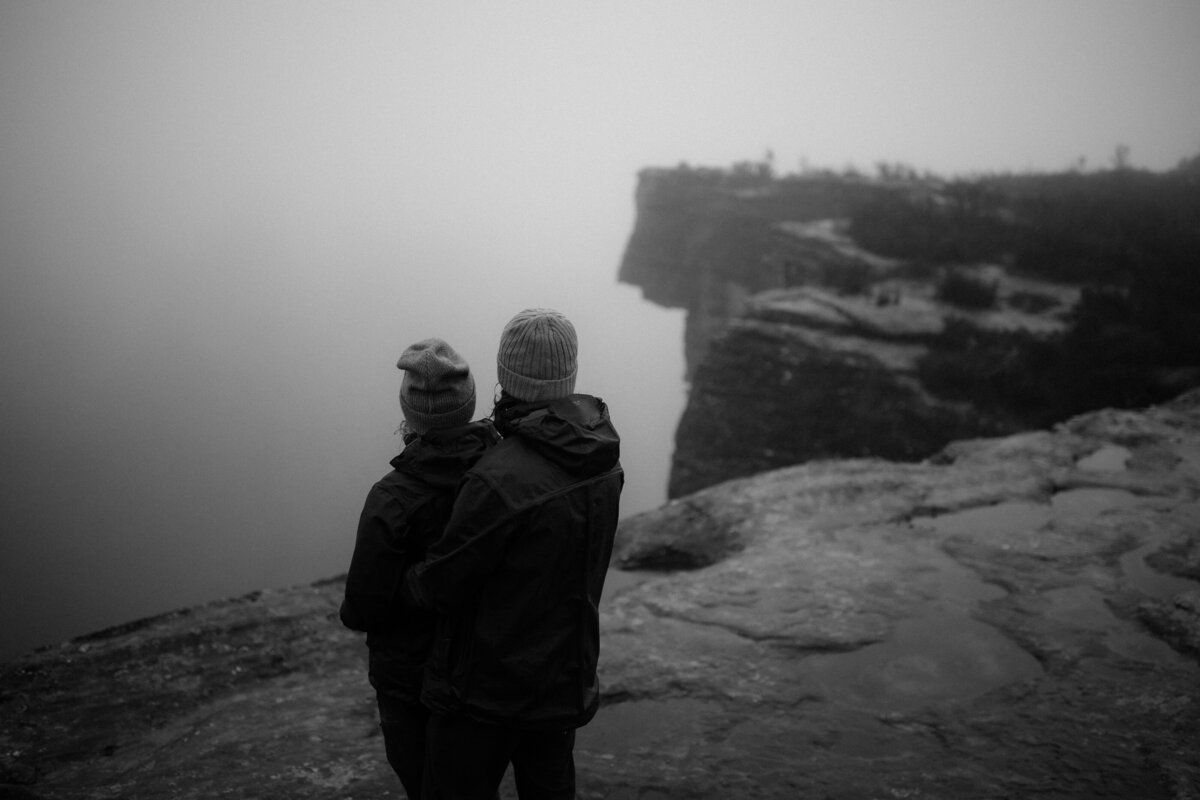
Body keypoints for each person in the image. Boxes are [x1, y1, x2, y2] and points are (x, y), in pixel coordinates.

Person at [404, 308, 624, 800]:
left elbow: (439, 584)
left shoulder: (498, 478)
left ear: (505, 374)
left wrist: (403, 580)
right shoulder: (602, 457)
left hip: (487, 691)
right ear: (568, 374)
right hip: (562, 678)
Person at [340, 338, 499, 800]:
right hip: (481, 667)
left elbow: (362, 609)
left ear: (409, 413)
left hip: (408, 678)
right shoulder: (501, 474)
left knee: (424, 782)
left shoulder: (392, 498)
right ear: (468, 405)